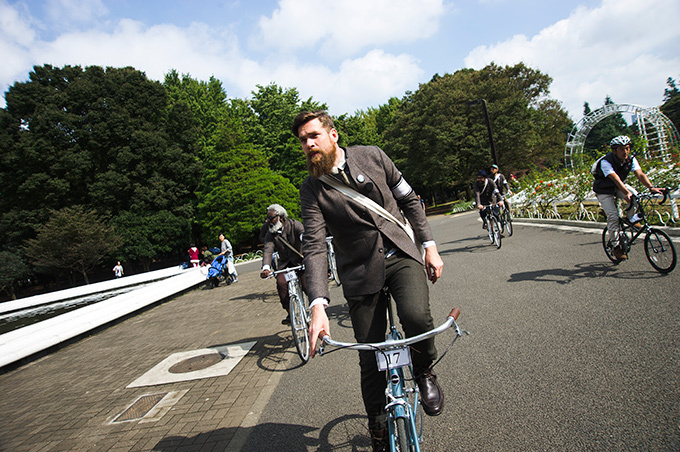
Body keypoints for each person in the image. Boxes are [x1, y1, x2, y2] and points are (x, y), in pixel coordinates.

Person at [293, 110, 444, 452]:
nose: (308, 144)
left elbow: (408, 199)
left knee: (417, 318)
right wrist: (318, 304)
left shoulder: (373, 155)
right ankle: (377, 425)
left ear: (333, 135)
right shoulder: (311, 189)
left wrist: (429, 247)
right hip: (360, 272)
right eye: (303, 140)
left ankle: (424, 372)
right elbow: (315, 246)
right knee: (370, 355)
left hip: (401, 256)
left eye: (313, 135)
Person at [592, 135, 662, 260]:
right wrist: (626, 192)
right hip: (604, 190)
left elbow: (640, 174)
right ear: (614, 150)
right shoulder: (606, 161)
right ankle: (616, 246)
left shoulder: (631, 159)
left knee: (635, 195)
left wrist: (651, 187)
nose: (625, 152)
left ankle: (631, 218)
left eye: (627, 148)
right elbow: (615, 178)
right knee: (613, 216)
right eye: (621, 149)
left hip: (618, 186)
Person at [259, 204, 306, 325]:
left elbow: (304, 236)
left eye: (271, 218)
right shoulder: (270, 233)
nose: (268, 221)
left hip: (300, 261)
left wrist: (308, 252)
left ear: (280, 217)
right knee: (281, 285)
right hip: (285, 265)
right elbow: (268, 250)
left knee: (307, 285)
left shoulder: (295, 224)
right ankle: (290, 313)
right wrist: (266, 268)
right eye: (267, 218)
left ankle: (316, 309)